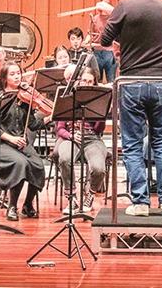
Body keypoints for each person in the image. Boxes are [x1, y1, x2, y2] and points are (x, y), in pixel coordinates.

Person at [98, 0, 162, 216]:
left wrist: (110, 14)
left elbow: (104, 39)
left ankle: (141, 203)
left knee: (132, 145)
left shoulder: (124, 6)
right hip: (161, 81)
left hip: (132, 81)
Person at [0, 62, 48, 221]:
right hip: (2, 144)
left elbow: (33, 125)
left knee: (38, 165)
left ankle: (28, 204)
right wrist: (11, 138)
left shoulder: (25, 97)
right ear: (4, 78)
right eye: (12, 74)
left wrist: (51, 115)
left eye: (18, 73)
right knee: (20, 163)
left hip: (21, 144)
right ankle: (12, 206)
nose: (17, 76)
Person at [54, 63, 106, 215]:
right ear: (79, 81)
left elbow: (99, 130)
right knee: (64, 158)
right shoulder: (69, 97)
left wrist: (101, 113)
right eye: (84, 80)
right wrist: (71, 136)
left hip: (92, 138)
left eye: (90, 82)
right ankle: (72, 198)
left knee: (98, 168)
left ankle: (90, 194)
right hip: (70, 138)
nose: (86, 84)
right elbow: (60, 128)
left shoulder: (98, 98)